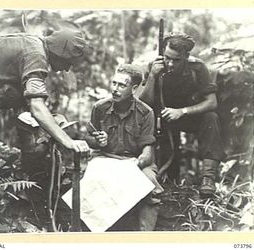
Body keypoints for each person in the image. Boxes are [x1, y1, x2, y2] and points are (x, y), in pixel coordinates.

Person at [0, 28, 91, 175]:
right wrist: (68, 141)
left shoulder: (33, 43)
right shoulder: (37, 56)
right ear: (59, 53)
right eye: (68, 62)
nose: (67, 68)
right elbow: (36, 106)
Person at [135, 33, 226, 198]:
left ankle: (208, 178)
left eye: (176, 60)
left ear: (186, 56)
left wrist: (182, 111)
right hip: (161, 119)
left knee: (211, 118)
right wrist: (153, 76)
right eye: (167, 58)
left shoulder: (197, 68)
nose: (170, 63)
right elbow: (143, 104)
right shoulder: (154, 66)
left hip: (188, 116)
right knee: (167, 169)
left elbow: (211, 102)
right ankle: (162, 180)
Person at [87, 64, 164, 231]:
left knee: (150, 183)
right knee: (93, 183)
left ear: (134, 88)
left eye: (122, 85)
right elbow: (89, 138)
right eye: (114, 83)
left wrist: (136, 165)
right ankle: (97, 234)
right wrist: (98, 140)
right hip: (106, 158)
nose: (115, 89)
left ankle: (145, 238)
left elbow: (147, 151)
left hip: (135, 160)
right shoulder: (100, 108)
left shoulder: (145, 112)